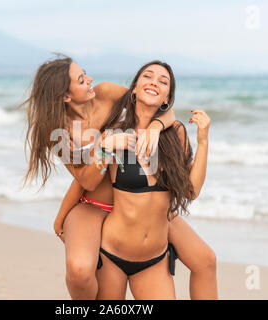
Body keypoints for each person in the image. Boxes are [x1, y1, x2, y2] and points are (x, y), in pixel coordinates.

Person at [22, 55, 217, 300]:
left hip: (135, 206)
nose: (89, 79)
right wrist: (60, 219)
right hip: (95, 205)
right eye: (81, 79)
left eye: (85, 73)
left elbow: (157, 104)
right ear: (65, 96)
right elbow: (86, 181)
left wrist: (158, 127)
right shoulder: (56, 133)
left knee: (206, 259)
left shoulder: (105, 93)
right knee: (80, 271)